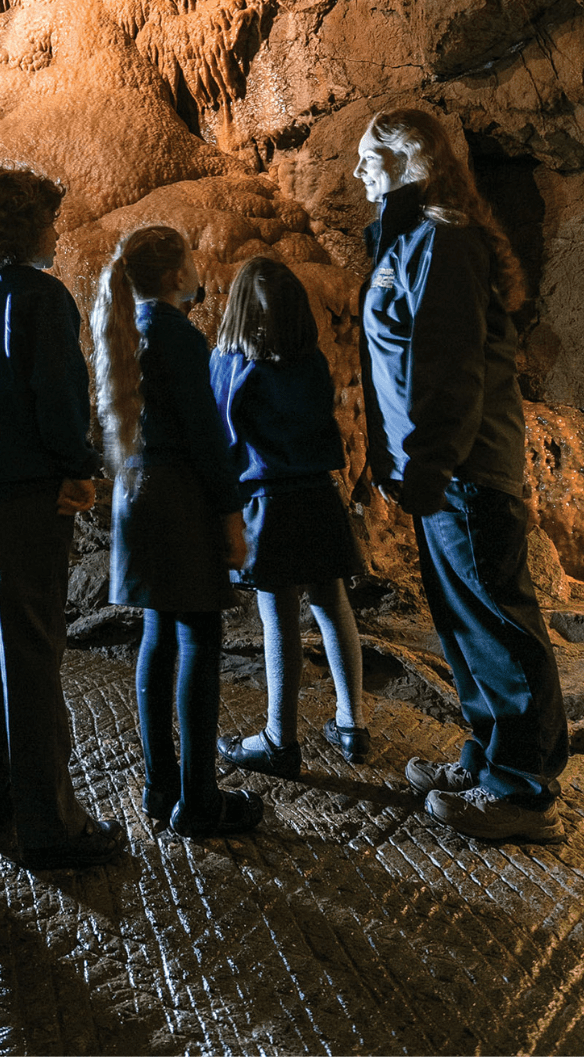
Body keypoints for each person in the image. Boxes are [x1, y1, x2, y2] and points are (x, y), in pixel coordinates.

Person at [356, 106, 568, 842]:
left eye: (366, 158)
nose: (355, 173)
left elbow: (446, 369)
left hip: (467, 469)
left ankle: (524, 789)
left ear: (406, 158)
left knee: (497, 624)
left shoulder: (444, 241)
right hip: (443, 470)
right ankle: (490, 760)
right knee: (465, 624)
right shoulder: (412, 237)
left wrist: (428, 461)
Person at [0, 164, 126, 868]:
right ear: (23, 226)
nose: (56, 230)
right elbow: (58, 392)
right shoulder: (41, 298)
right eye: (48, 219)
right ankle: (52, 823)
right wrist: (78, 465)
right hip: (30, 495)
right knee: (34, 653)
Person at [91, 225, 262, 839]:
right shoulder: (178, 336)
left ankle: (159, 787)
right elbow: (206, 438)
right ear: (173, 276)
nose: (198, 268)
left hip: (134, 493)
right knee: (197, 640)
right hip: (178, 497)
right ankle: (199, 799)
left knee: (157, 638)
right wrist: (231, 516)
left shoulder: (123, 328)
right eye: (191, 259)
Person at [209, 255, 368, 778]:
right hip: (318, 497)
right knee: (332, 601)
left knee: (278, 617)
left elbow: (222, 442)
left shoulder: (228, 364)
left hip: (267, 504)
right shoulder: (313, 361)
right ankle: (352, 722)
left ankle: (280, 739)